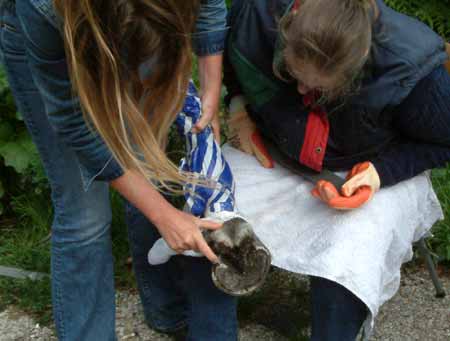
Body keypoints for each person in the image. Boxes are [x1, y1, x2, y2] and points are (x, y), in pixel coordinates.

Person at [0, 0, 238, 340]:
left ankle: (167, 312)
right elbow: (75, 126)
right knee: (85, 214)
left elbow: (211, 3)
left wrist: (211, 90)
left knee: (147, 165)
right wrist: (163, 215)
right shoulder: (44, 8)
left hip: (125, 27)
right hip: (61, 40)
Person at [224, 0, 450, 339]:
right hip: (271, 143)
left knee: (345, 256)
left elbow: (444, 141)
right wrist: (238, 107)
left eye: (318, 88)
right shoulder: (255, 12)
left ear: (354, 71)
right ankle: (206, 328)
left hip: (369, 162)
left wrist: (381, 172)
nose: (300, 90)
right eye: (290, 74)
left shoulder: (411, 72)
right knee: (210, 202)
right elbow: (236, 62)